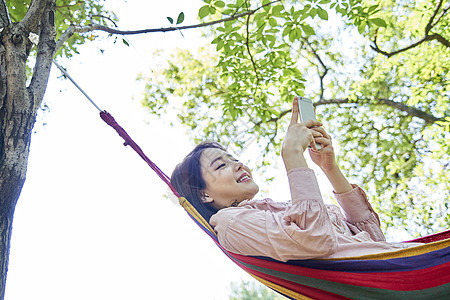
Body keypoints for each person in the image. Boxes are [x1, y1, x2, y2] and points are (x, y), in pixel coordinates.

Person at [171, 96, 421, 262]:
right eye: (221, 164)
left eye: (234, 158)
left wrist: (329, 168)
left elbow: (374, 238)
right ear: (204, 194)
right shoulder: (231, 224)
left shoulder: (280, 209)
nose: (238, 164)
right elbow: (316, 241)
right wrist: (292, 155)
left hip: (402, 261)